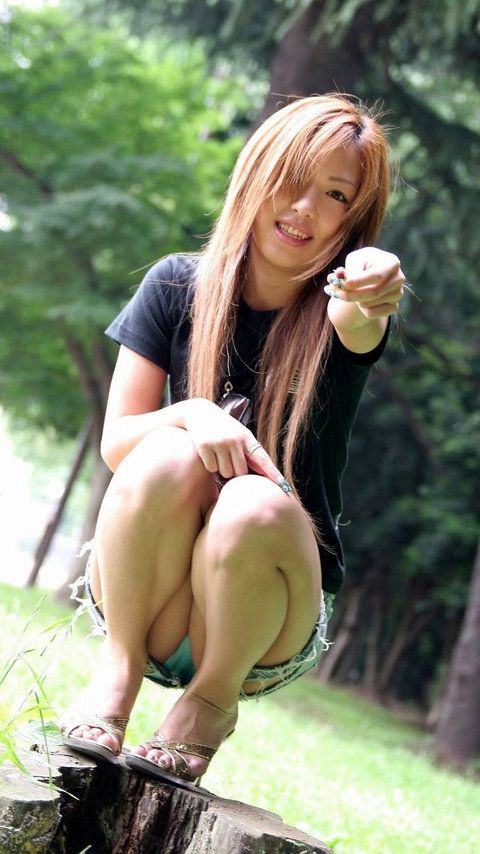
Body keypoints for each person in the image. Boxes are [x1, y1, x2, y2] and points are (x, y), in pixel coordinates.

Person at [61, 93, 405, 788]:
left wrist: (374, 281)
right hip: (147, 599)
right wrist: (193, 413)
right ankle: (116, 675)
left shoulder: (341, 314)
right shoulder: (174, 285)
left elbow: (361, 315)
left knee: (252, 502)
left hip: (263, 623)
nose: (304, 208)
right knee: (165, 450)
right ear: (257, 172)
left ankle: (210, 705)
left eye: (335, 195)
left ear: (353, 221)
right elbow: (117, 442)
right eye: (293, 180)